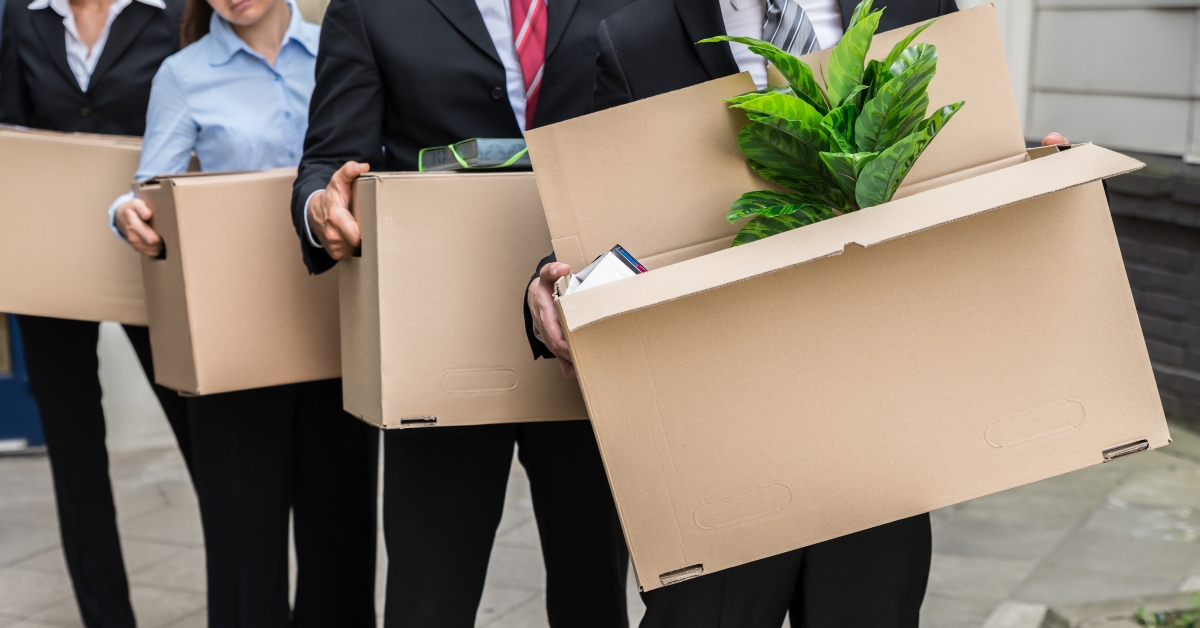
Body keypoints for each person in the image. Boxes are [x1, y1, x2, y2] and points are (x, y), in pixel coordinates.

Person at [523, 0, 1072, 626]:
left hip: (882, 428)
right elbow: (596, 219)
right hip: (718, 438)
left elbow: (960, 163)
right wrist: (550, 286)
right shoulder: (632, 37)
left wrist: (1031, 182)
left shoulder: (917, 9)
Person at [289, 0, 637, 623]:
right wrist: (321, 209)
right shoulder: (368, 11)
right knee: (430, 593)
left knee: (596, 589)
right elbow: (326, 159)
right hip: (440, 339)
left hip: (585, 326)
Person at [106, 0, 379, 625]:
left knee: (341, 548)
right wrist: (127, 214)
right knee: (242, 553)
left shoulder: (346, 47)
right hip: (233, 342)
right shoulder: (182, 73)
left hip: (337, 327)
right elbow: (151, 186)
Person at [0, 0, 193, 625]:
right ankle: (106, 617)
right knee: (75, 455)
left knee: (203, 433)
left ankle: (245, 595)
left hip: (155, 253)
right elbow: (11, 130)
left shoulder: (173, 13)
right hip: (51, 265)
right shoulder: (23, 15)